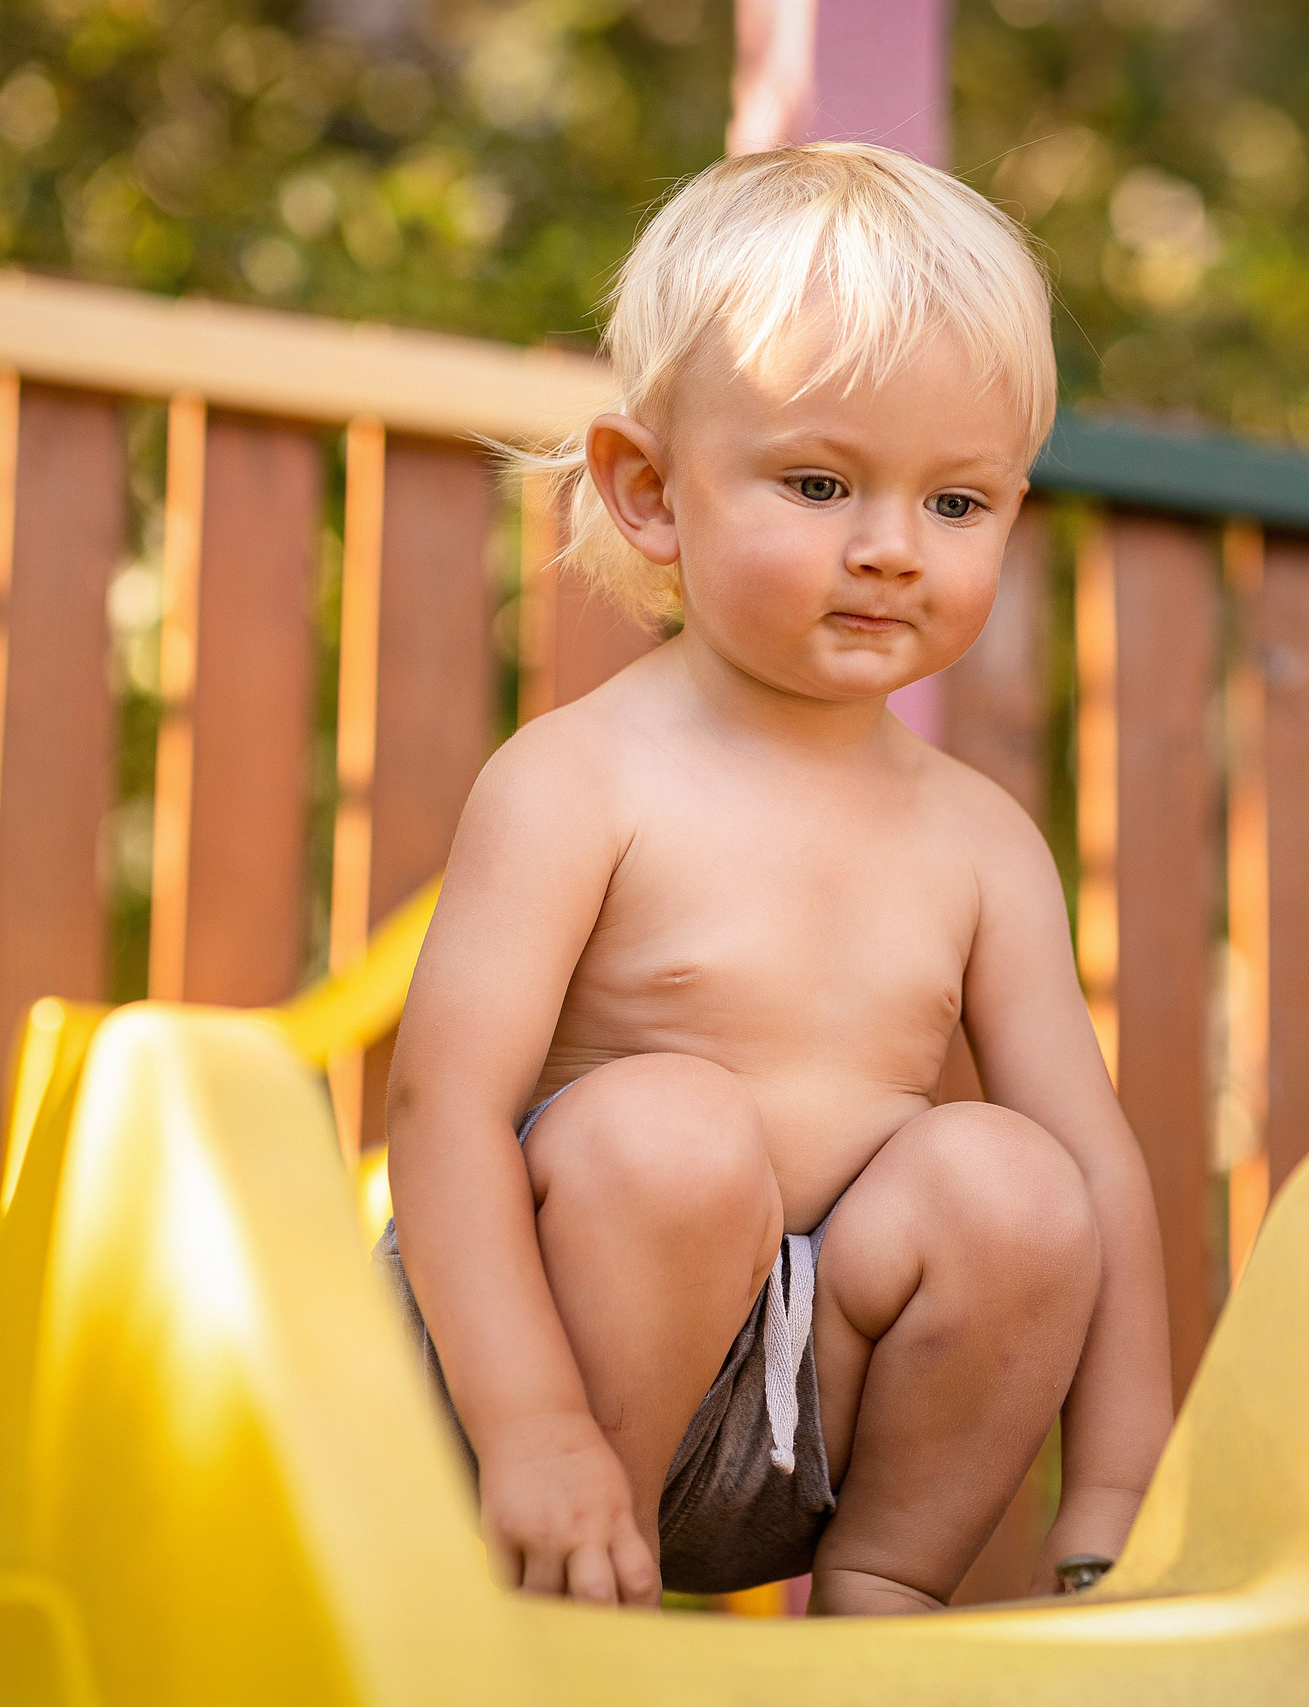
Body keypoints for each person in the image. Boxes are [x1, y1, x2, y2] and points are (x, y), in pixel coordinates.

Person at [378, 142, 1172, 1617]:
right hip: (522, 1382)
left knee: (1014, 1178)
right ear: (651, 493)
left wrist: (1124, 1488)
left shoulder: (980, 840)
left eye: (957, 504)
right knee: (673, 1133)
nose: (888, 550)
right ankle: (561, 1587)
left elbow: (1100, 1173)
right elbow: (440, 1114)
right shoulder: (578, 780)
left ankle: (880, 1596)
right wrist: (532, 1429)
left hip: (800, 1421)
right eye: (819, 483)